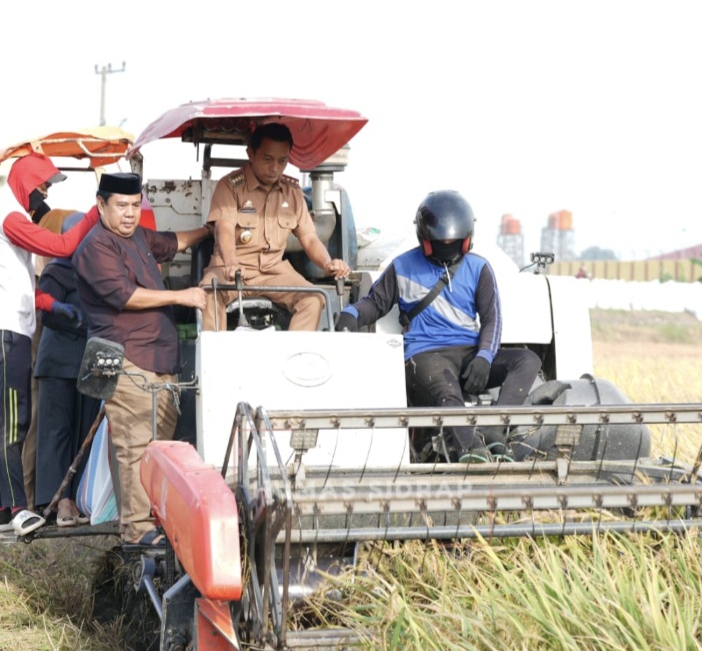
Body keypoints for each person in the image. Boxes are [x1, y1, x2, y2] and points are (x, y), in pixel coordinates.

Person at [335, 190, 542, 463]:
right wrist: (350, 314)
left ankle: (495, 429)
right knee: (448, 394)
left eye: (454, 242)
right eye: (440, 242)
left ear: (467, 239)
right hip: (425, 354)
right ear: (425, 239)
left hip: (468, 352)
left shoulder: (480, 268)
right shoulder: (401, 267)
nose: (448, 247)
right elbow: (375, 304)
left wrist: (484, 357)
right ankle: (471, 451)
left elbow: (492, 319)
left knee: (527, 360)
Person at [0, 152, 98, 537]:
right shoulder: (8, 219)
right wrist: (95, 211)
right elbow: (62, 246)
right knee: (14, 423)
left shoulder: (7, 216)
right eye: (41, 188)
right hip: (5, 334)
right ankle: (20, 511)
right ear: (25, 184)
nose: (43, 197)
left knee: (12, 422)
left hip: (8, 330)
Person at [73, 172, 212, 545]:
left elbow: (171, 243)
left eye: (136, 205)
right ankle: (137, 534)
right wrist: (181, 296)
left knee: (157, 451)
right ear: (101, 205)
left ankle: (152, 524)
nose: (130, 214)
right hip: (127, 361)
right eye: (121, 206)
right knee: (136, 447)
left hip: (160, 360)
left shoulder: (136, 236)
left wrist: (208, 230)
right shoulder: (94, 248)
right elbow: (127, 296)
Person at [199, 122, 350, 331]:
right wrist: (231, 262)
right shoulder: (230, 186)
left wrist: (328, 264)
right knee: (208, 293)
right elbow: (223, 228)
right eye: (268, 159)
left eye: (282, 161)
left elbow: (309, 238)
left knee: (314, 298)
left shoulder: (293, 192)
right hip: (231, 269)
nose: (275, 168)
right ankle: (214, 362)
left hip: (274, 271)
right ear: (251, 153)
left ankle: (291, 360)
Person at [35, 211, 102, 527]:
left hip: (91, 364)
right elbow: (46, 313)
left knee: (84, 434)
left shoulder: (98, 273)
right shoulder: (57, 271)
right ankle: (59, 502)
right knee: (58, 433)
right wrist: (77, 318)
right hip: (59, 362)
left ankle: (77, 499)